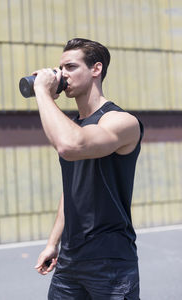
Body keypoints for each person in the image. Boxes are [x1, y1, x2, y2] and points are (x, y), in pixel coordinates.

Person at [34, 38, 143, 300]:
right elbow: (72, 188)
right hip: (70, 261)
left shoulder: (121, 121)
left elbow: (69, 145)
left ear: (96, 69)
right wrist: (53, 243)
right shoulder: (73, 124)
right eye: (60, 69)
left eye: (70, 67)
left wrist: (41, 91)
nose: (62, 75)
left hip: (110, 261)